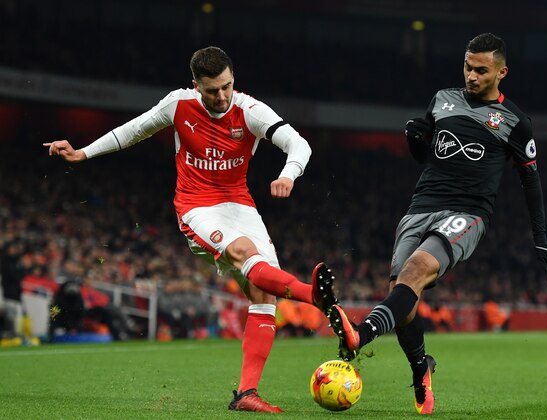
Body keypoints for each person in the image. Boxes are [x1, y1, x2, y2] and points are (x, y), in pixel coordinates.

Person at [44, 46, 337, 413]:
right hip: (196, 206)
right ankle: (316, 297)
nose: (222, 96)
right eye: (212, 90)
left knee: (264, 296)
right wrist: (82, 153)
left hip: (240, 205)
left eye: (227, 86)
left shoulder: (249, 110)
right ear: (195, 84)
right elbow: (133, 130)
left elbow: (298, 144)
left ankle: (247, 393)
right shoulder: (179, 105)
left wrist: (287, 174)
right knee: (244, 253)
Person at [322, 33, 547, 415]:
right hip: (420, 207)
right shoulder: (441, 99)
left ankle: (360, 334)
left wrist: (541, 238)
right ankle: (421, 368)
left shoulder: (515, 122)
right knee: (404, 295)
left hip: (468, 213)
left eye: (481, 70)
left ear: (502, 72)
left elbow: (530, 180)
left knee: (415, 269)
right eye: (467, 66)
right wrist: (415, 140)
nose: (472, 76)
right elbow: (427, 155)